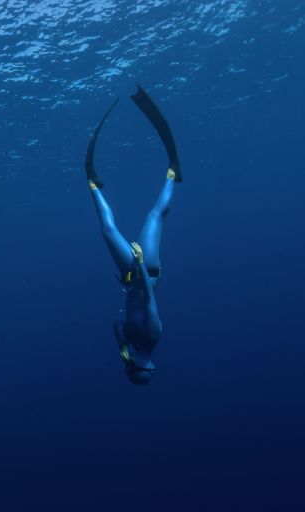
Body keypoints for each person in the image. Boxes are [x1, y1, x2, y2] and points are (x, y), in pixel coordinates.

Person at [85, 86, 182, 385]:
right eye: (130, 368)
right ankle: (172, 172)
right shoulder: (152, 337)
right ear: (141, 367)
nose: (125, 366)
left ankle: (93, 182)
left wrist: (121, 346)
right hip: (143, 270)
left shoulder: (131, 345)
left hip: (132, 274)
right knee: (146, 219)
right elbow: (150, 299)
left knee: (117, 227)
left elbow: (117, 322)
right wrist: (139, 264)